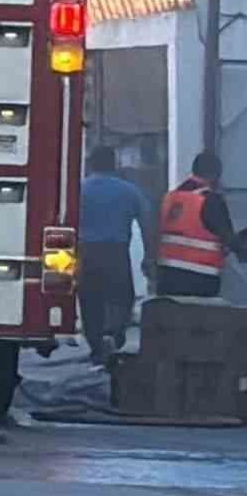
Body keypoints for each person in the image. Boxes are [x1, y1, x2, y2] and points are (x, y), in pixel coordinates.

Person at [79, 145, 152, 366]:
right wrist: (149, 257)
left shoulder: (78, 189)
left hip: (86, 253)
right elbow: (147, 224)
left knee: (90, 301)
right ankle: (114, 335)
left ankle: (95, 347)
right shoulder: (129, 191)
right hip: (115, 253)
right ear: (115, 165)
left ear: (90, 164)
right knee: (121, 297)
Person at [155, 151, 234, 298]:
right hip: (200, 277)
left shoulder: (169, 198)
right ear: (216, 175)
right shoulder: (210, 200)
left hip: (166, 274)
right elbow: (229, 239)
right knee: (198, 320)